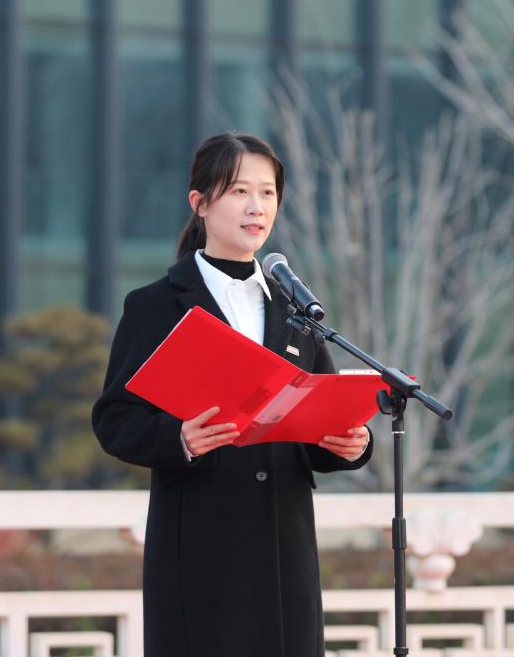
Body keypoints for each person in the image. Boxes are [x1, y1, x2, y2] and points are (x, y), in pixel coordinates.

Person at [92, 132, 373, 657]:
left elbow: (317, 412)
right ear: (199, 203)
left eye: (267, 193)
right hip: (200, 549)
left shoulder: (297, 310)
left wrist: (350, 444)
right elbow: (114, 420)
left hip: (286, 550)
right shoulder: (156, 305)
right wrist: (180, 438)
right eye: (239, 191)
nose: (256, 207)